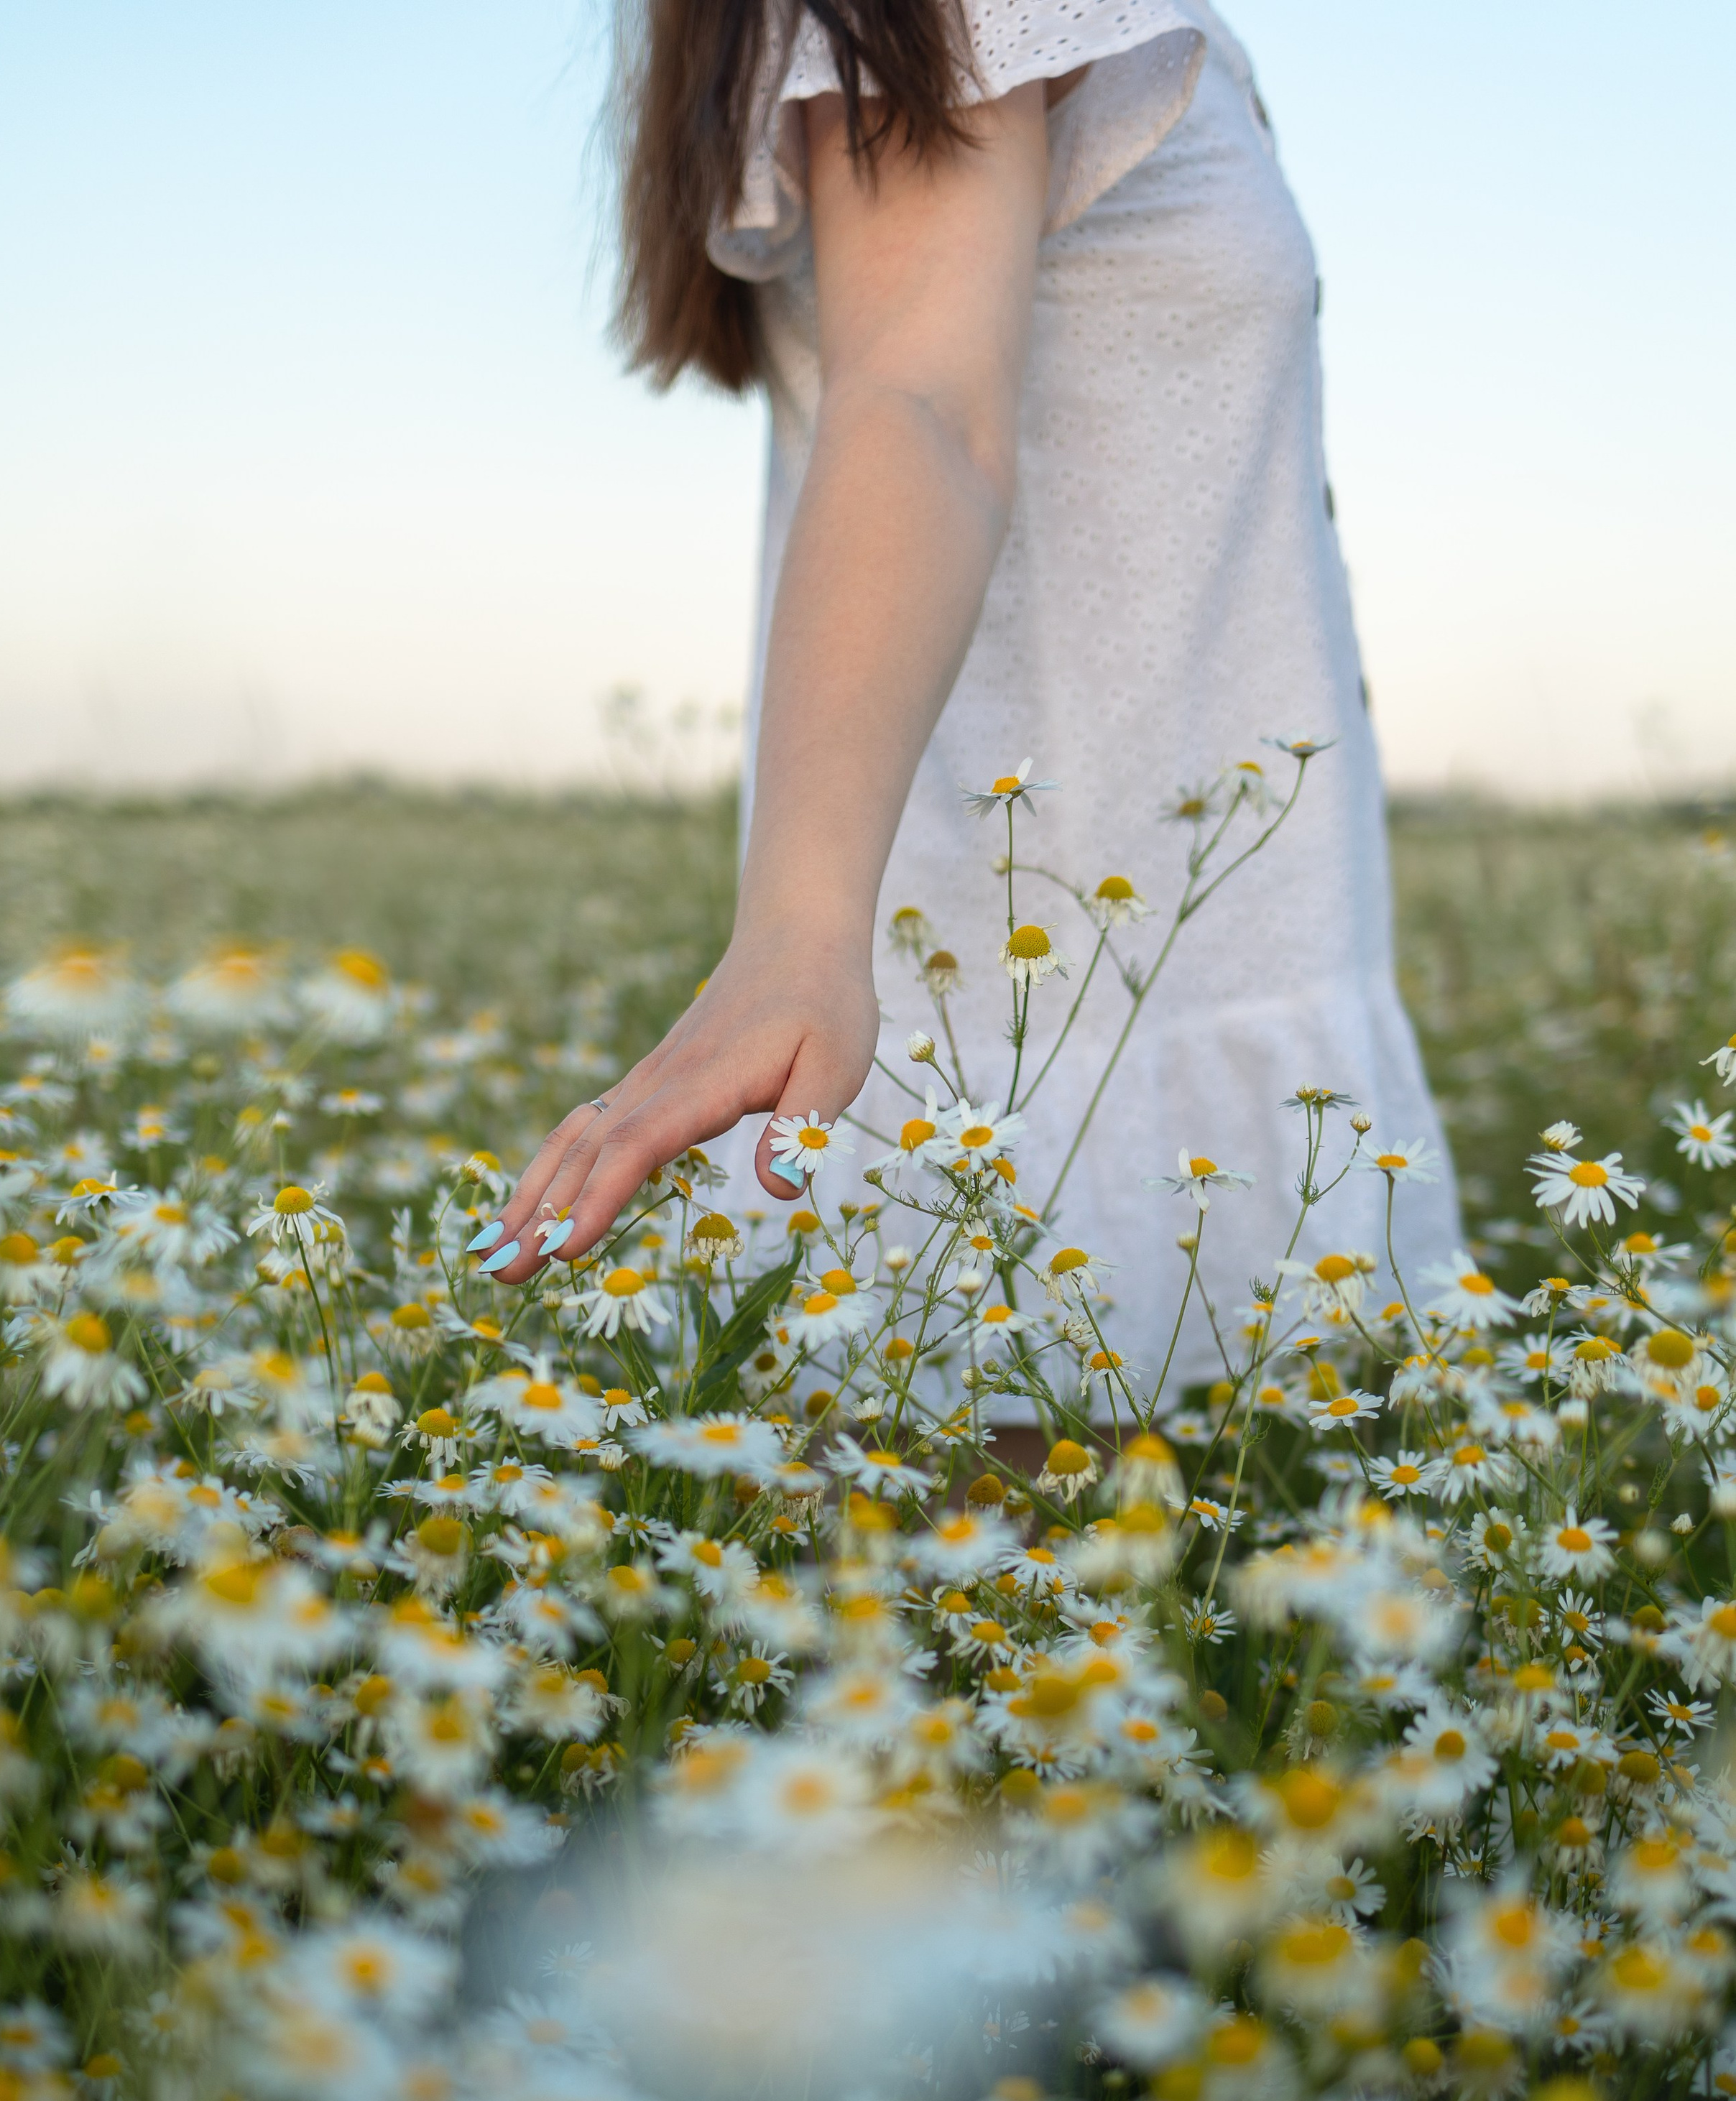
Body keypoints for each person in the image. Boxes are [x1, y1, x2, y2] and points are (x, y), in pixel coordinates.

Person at [481, 0, 1459, 1395]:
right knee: (965, 1572)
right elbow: (919, 401)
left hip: (1138, 937)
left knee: (1052, 1578)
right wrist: (796, 935)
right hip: (1019, 983)